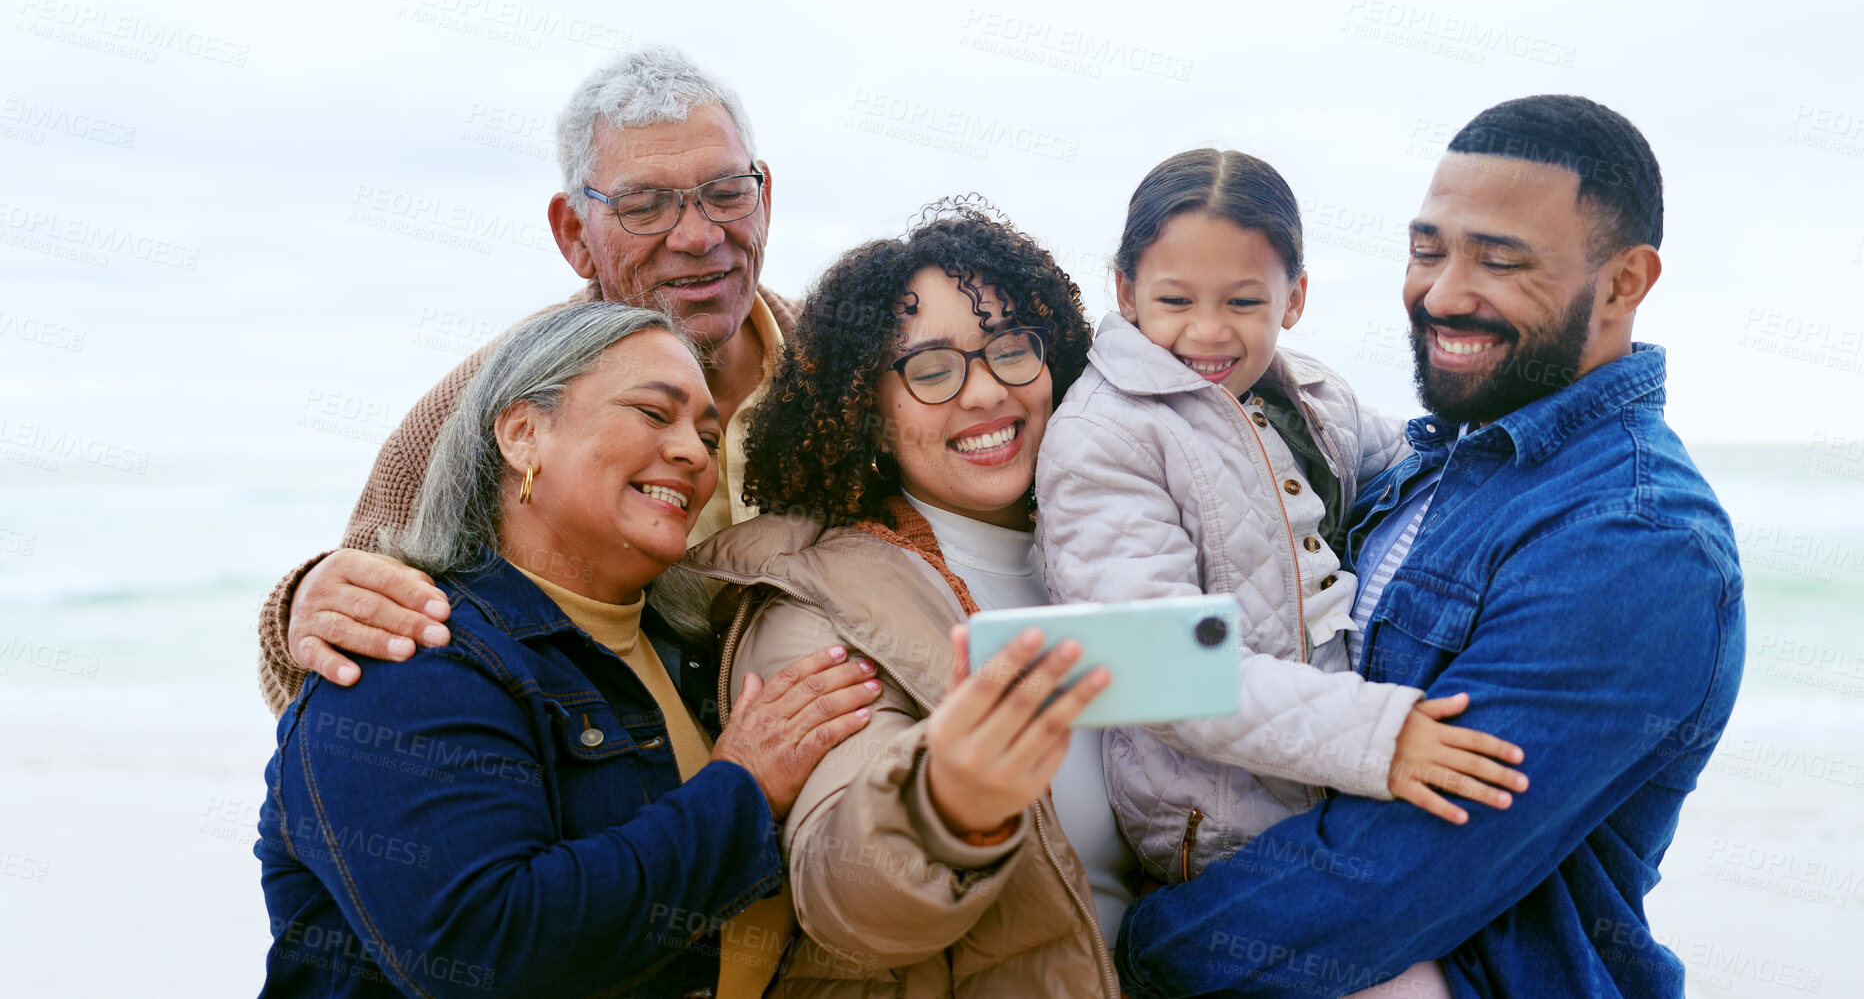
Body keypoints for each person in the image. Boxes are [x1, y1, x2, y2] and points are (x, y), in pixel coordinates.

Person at [1114, 96, 1745, 999]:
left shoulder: (1635, 540)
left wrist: (1114, 949)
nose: (1443, 293)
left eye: (1500, 260)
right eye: (1427, 249)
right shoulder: (1435, 456)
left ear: (1622, 282)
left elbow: (1384, 880)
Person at [255, 301, 881, 997]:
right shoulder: (408, 654)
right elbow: (488, 952)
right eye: (653, 412)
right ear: (523, 433)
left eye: (708, 435)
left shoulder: (691, 647)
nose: (693, 452)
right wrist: (744, 788)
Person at [1034, 149, 1529, 997]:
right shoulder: (1102, 436)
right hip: (1221, 839)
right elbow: (1160, 668)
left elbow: (1421, 477)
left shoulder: (1312, 396)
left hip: (1338, 798)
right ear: (1123, 292)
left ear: (1293, 297)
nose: (1208, 331)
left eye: (1244, 301)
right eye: (1174, 300)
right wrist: (1381, 734)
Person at [255, 45, 794, 711]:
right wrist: (304, 604)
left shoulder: (860, 371)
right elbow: (343, 650)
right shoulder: (488, 399)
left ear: (763, 197)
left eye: (724, 194)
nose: (698, 234)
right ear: (573, 233)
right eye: (645, 205)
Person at [682, 201, 1131, 997]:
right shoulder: (813, 608)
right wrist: (946, 806)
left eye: (1010, 349)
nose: (986, 390)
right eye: (930, 369)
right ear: (868, 412)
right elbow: (844, 898)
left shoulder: (1132, 544)